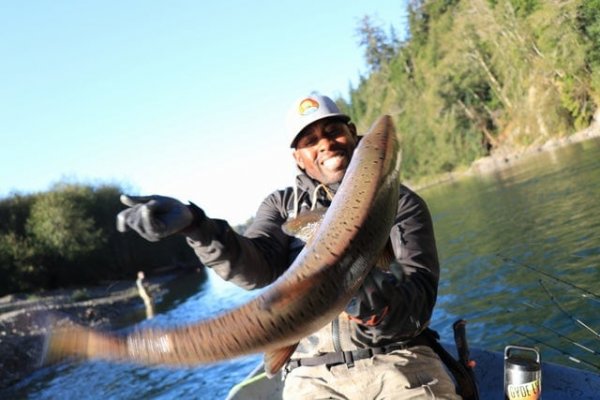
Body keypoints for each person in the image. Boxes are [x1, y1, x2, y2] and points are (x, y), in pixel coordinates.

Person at [117, 94, 464, 399]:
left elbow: (419, 298)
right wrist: (197, 226)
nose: (325, 144)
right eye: (310, 140)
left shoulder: (402, 203)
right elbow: (254, 267)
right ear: (298, 158)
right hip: (312, 377)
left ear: (352, 134)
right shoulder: (281, 206)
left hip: (398, 362)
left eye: (332, 131)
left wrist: (378, 306)